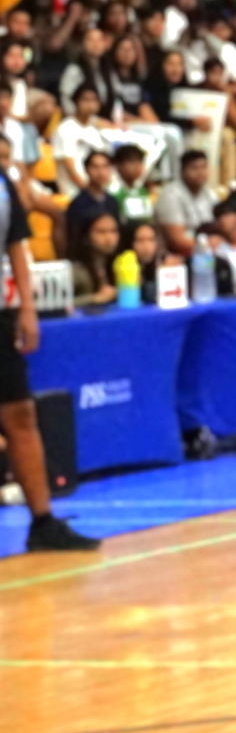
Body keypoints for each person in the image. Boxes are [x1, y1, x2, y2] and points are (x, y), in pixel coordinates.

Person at [1, 159, 98, 551]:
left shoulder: (3, 182)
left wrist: (27, 308)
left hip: (0, 315)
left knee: (20, 413)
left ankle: (43, 522)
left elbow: (15, 246)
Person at [155, 150, 217, 259]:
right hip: (176, 256)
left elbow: (220, 225)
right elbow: (177, 242)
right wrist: (211, 244)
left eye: (204, 167)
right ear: (182, 171)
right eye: (194, 168)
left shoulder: (209, 193)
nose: (200, 172)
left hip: (204, 252)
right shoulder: (170, 194)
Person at [65, 149, 120, 247]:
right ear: (86, 170)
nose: (101, 172)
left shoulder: (113, 202)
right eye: (95, 167)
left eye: (105, 167)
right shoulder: (78, 204)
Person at [70, 211, 119, 307]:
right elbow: (59, 303)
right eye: (101, 232)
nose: (109, 238)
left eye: (113, 231)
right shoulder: (76, 269)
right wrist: (93, 298)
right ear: (87, 235)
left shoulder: (118, 264)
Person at [110, 143, 154, 222]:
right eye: (132, 162)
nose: (138, 167)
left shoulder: (143, 191)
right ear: (118, 165)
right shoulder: (111, 192)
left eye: (140, 162)